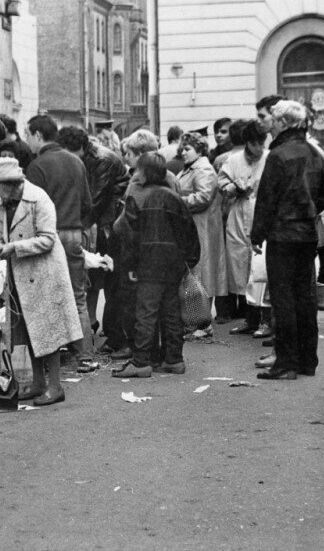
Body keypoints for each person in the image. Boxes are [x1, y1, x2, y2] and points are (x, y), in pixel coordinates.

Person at [0, 157, 82, 406]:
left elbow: (48, 239)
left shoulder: (38, 199)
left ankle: (55, 386)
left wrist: (12, 247)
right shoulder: (4, 204)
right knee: (30, 331)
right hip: (20, 273)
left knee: (48, 331)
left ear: (9, 183)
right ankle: (39, 382)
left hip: (44, 272)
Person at [251, 100, 324, 380]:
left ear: (284, 123)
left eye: (273, 120)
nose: (269, 125)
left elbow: (267, 199)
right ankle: (307, 361)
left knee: (283, 299)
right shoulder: (315, 153)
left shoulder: (278, 155)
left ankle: (286, 363)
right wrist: (307, 211)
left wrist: (257, 233)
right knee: (305, 297)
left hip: (282, 234)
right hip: (306, 234)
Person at [111, 152, 200, 378]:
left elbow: (128, 234)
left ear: (145, 172)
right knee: (172, 312)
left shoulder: (137, 196)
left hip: (148, 263)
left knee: (145, 312)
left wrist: (130, 266)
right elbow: (189, 232)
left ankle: (141, 361)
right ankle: (174, 359)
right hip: (173, 264)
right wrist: (187, 261)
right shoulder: (174, 197)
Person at [25, 114, 98, 373]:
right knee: (77, 296)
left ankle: (49, 360)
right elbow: (89, 203)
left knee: (47, 297)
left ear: (37, 135)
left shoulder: (37, 166)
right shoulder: (76, 161)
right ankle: (86, 356)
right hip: (74, 233)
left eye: (28, 135)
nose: (27, 140)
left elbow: (31, 209)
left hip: (49, 235)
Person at [57, 125, 128, 346]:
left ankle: (112, 330)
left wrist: (77, 225)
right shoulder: (87, 156)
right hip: (101, 215)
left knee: (104, 271)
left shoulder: (100, 159)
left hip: (110, 216)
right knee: (96, 272)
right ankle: (95, 322)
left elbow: (97, 198)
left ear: (78, 148)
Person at [219, 121, 268, 335]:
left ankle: (266, 320)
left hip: (261, 212)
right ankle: (250, 319)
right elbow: (221, 184)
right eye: (255, 144)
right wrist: (233, 187)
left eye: (262, 143)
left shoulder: (269, 158)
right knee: (240, 268)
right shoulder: (234, 160)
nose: (259, 148)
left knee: (261, 269)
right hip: (239, 214)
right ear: (247, 143)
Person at [177, 132, 228, 335]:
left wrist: (177, 201)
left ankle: (203, 323)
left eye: (187, 148)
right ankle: (196, 320)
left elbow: (203, 197)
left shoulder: (203, 169)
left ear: (199, 150)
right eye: (182, 148)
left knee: (202, 274)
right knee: (194, 274)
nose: (183, 152)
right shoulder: (190, 168)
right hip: (194, 227)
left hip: (203, 227)